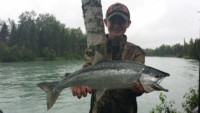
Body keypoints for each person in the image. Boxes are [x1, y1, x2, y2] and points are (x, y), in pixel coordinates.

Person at [71, 2, 145, 113]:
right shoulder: (94, 49)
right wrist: (80, 86)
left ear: (128, 23)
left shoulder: (137, 52)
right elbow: (86, 71)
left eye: (121, 21)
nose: (116, 25)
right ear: (105, 22)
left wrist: (139, 90)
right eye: (113, 21)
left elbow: (139, 87)